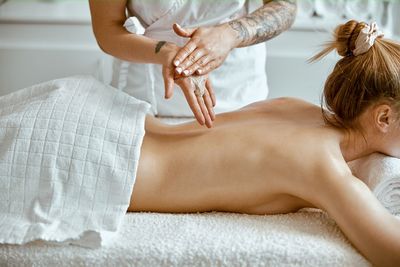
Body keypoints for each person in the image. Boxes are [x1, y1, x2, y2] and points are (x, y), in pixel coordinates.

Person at [127, 20, 400, 266]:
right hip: (116, 163)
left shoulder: (293, 106)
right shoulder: (324, 165)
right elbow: (391, 251)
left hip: (122, 118)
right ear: (384, 117)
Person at [88, 0, 297, 128]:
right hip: (145, 103)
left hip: (240, 97)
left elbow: (285, 5)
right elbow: (107, 28)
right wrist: (167, 53)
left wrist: (231, 34)